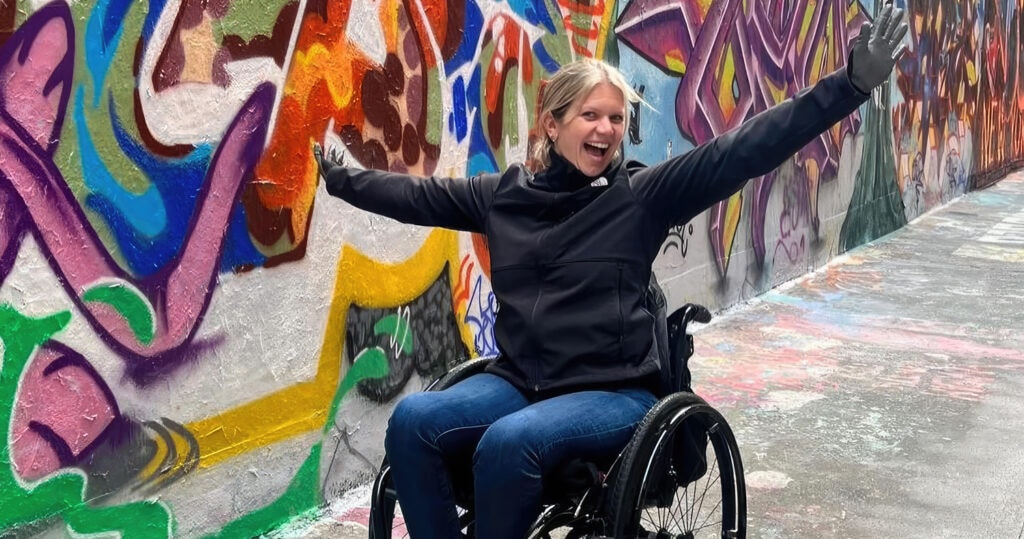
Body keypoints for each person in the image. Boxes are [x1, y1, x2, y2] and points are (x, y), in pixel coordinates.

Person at [313, 5, 908, 537]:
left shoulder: (640, 199)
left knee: (507, 444)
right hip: (520, 381)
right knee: (413, 419)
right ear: (552, 124)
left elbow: (744, 150)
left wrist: (850, 85)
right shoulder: (503, 197)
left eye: (616, 119)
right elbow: (419, 198)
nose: (606, 130)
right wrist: (343, 182)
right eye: (590, 116)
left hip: (614, 391)